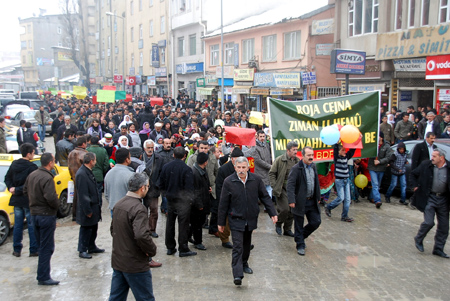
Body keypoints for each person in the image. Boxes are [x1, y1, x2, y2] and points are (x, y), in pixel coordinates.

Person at [218, 156, 277, 286]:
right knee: (237, 246)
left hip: (250, 218)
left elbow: (265, 197)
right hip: (235, 218)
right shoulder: (229, 181)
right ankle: (237, 274)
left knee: (246, 244)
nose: (241, 170)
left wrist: (272, 213)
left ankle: (244, 263)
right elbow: (223, 203)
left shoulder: (256, 180)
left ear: (248, 167)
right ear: (235, 167)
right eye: (238, 167)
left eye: (243, 167)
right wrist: (221, 222)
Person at [109, 173, 157, 301]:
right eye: (147, 186)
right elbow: (141, 235)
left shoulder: (119, 204)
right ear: (142, 188)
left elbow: (113, 230)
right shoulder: (138, 208)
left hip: (119, 261)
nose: (148, 188)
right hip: (135, 264)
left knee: (116, 297)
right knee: (145, 298)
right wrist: (151, 250)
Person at [24, 153, 60, 285]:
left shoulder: (32, 175)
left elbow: (25, 190)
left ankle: (43, 274)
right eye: (54, 161)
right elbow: (51, 197)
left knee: (41, 245)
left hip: (35, 214)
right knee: (46, 247)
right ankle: (43, 276)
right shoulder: (46, 177)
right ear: (50, 163)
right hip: (45, 215)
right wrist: (56, 206)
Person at [411, 149, 450, 258]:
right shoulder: (426, 165)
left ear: (441, 158)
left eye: (434, 156)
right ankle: (419, 238)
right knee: (428, 222)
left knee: (444, 226)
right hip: (430, 198)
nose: (432, 158)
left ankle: (438, 249)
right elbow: (413, 174)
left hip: (443, 199)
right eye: (432, 155)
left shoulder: (448, 168)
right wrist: (415, 186)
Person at [159, 146, 197, 257]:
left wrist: (166, 194)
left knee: (170, 223)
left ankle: (170, 247)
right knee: (183, 224)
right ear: (184, 156)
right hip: (183, 201)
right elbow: (189, 188)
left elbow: (161, 184)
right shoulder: (186, 169)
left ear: (173, 155)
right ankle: (183, 248)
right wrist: (189, 200)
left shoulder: (166, 167)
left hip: (170, 199)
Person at [5, 143, 38, 257]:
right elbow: (30, 185)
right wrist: (17, 189)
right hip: (27, 199)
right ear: (29, 154)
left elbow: (7, 178)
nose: (34, 155)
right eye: (33, 153)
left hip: (16, 199)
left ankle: (17, 249)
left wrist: (11, 188)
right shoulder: (31, 167)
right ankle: (33, 249)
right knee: (31, 224)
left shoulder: (14, 164)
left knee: (18, 225)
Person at [287, 146, 321, 256]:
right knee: (298, 224)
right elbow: (290, 185)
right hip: (300, 201)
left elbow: (316, 183)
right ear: (303, 156)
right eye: (309, 155)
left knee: (316, 221)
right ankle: (300, 245)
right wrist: (291, 199)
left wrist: (318, 197)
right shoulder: (297, 168)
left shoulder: (314, 167)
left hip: (312, 201)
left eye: (312, 155)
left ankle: (300, 236)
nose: (311, 157)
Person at [76, 152, 104, 259]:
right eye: (95, 160)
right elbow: (83, 195)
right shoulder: (82, 174)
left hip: (93, 206)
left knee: (93, 227)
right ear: (91, 161)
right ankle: (82, 249)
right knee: (86, 229)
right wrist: (87, 210)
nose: (95, 162)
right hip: (88, 208)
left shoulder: (88, 171)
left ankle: (91, 246)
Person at [215, 147, 245, 248]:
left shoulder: (244, 169)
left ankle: (242, 241)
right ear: (232, 159)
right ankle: (225, 240)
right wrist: (221, 200)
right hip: (227, 198)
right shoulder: (223, 169)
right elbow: (219, 186)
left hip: (240, 199)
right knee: (226, 221)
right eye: (236, 159)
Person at [269, 141, 299, 236]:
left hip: (293, 189)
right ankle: (278, 223)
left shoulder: (298, 161)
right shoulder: (280, 160)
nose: (295, 151)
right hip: (282, 188)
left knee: (292, 210)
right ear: (288, 150)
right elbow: (272, 173)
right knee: (285, 209)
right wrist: (275, 185)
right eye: (293, 150)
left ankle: (287, 229)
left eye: (296, 149)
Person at [324, 143, 356, 222]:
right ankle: (329, 207)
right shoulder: (337, 158)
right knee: (341, 197)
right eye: (343, 150)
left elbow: (352, 151)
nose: (345, 152)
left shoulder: (346, 157)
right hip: (339, 180)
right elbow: (335, 150)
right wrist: (336, 143)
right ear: (338, 152)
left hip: (346, 180)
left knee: (347, 199)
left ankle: (345, 216)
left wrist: (355, 142)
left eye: (345, 150)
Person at [104, 148, 135, 217]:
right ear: (127, 159)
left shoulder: (108, 174)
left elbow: (106, 194)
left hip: (114, 208)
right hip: (127, 210)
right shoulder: (130, 175)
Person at [190, 152, 210, 251]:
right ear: (205, 162)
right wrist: (199, 205)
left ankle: (189, 235)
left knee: (198, 222)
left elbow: (205, 183)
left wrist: (208, 188)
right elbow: (195, 191)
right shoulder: (195, 172)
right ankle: (198, 242)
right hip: (198, 204)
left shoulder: (202, 170)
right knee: (197, 223)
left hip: (203, 200)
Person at [367, 132, 392, 209]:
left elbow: (388, 157)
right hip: (372, 167)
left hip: (381, 168)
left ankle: (371, 196)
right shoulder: (372, 145)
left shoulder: (387, 146)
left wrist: (380, 161)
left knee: (377, 185)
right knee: (375, 184)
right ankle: (377, 200)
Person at [68, 136, 88, 221]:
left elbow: (69, 166)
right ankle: (82, 214)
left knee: (75, 196)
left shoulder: (71, 153)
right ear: (84, 144)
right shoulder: (84, 154)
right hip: (82, 177)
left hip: (73, 176)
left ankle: (75, 215)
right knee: (83, 197)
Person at [86, 136, 110, 206]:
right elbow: (106, 163)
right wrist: (103, 171)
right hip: (99, 174)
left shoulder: (87, 150)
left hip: (89, 174)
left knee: (90, 191)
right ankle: (98, 206)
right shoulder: (103, 150)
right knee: (98, 191)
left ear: (90, 141)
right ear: (98, 142)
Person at [253, 130, 273, 197]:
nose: (262, 138)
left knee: (269, 188)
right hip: (260, 172)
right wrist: (270, 166)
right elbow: (258, 160)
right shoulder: (254, 147)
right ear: (257, 137)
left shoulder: (266, 145)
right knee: (261, 189)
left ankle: (267, 206)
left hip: (268, 172)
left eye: (263, 136)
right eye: (261, 136)